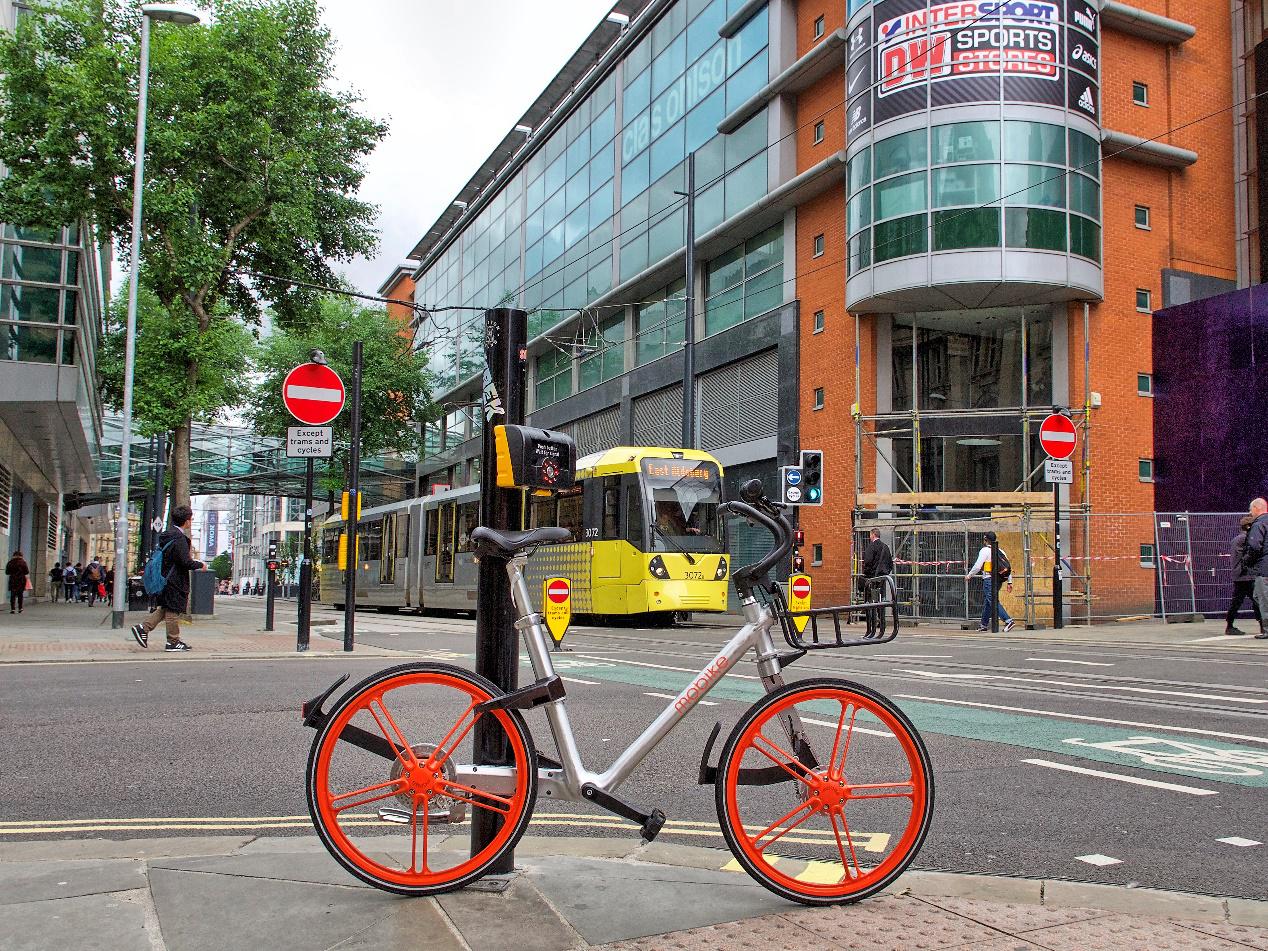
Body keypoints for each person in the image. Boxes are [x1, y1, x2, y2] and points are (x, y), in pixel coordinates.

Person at [130, 504, 204, 652]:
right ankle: (173, 641)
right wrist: (200, 565)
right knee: (172, 611)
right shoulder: (179, 538)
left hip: (165, 578)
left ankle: (143, 628)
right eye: (191, 519)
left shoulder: (168, 535)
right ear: (187, 521)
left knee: (165, 608)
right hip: (174, 580)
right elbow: (184, 561)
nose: (191, 522)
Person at [966, 531, 1016, 633]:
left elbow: (978, 565)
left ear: (985, 540)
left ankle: (1008, 620)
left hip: (989, 579)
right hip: (999, 580)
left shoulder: (984, 550)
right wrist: (1009, 582)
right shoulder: (1001, 551)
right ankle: (983, 624)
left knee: (992, 600)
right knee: (988, 602)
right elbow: (1007, 567)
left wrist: (969, 575)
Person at [1225, 513, 1263, 635]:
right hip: (1246, 575)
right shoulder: (1245, 539)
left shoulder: (1237, 539)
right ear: (1248, 526)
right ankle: (1263, 626)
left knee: (1237, 602)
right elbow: (1250, 555)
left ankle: (1229, 625)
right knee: (1257, 601)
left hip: (1241, 575)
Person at [1240, 498, 1268, 640]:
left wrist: (1246, 562)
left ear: (1257, 508)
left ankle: (1267, 629)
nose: (1250, 513)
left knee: (1262, 598)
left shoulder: (1259, 524)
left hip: (1264, 568)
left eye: (1251, 510)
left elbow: (1255, 546)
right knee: (1259, 596)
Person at [861, 528, 895, 635]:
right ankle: (882, 621)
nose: (869, 537)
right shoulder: (885, 547)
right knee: (881, 599)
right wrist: (885, 573)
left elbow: (867, 561)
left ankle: (871, 625)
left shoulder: (871, 547)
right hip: (883, 578)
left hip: (872, 577)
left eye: (870, 535)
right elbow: (890, 563)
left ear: (873, 535)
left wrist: (867, 573)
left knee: (870, 601)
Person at [6, 550, 29, 614]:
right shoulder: (23, 562)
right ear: (21, 556)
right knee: (20, 594)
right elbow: (27, 572)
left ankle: (12, 609)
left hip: (13, 580)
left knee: (12, 595)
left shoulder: (10, 562)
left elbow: (7, 572)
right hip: (21, 580)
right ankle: (20, 608)